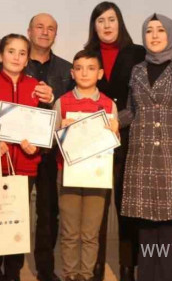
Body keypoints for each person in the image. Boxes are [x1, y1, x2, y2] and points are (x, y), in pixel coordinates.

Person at [114, 14, 172, 281]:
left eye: (160, 30)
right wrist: (111, 121)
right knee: (147, 229)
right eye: (149, 31)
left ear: (171, 34)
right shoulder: (138, 70)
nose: (154, 35)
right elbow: (132, 110)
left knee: (171, 229)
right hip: (142, 157)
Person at [83, 2, 145, 281]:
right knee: (96, 208)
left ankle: (127, 269)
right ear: (93, 26)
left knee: (126, 209)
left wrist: (120, 120)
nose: (107, 25)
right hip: (93, 142)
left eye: (112, 19)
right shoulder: (87, 56)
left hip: (128, 139)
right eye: (100, 21)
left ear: (120, 22)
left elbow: (142, 98)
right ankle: (94, 268)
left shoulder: (138, 54)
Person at [0, 34, 54, 281]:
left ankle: (13, 273)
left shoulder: (37, 88)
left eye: (22, 53)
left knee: (16, 222)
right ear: (1, 56)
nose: (16, 57)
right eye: (11, 51)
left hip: (25, 168)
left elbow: (44, 129)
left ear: (27, 59)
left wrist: (36, 147)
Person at [52, 50, 118, 281]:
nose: (84, 73)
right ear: (72, 72)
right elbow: (51, 140)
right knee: (70, 233)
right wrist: (62, 130)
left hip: (96, 177)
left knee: (90, 234)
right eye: (78, 68)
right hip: (68, 175)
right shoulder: (62, 102)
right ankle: (70, 275)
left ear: (100, 73)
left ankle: (86, 275)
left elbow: (113, 144)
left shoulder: (109, 105)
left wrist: (114, 133)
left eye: (90, 68)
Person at [24, 13, 72, 281]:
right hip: (20, 149)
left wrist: (54, 98)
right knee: (15, 207)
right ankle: (12, 267)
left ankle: (44, 269)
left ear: (56, 34)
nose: (45, 32)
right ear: (29, 31)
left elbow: (73, 106)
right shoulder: (16, 61)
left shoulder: (67, 69)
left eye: (51, 28)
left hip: (51, 152)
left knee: (48, 212)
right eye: (39, 27)